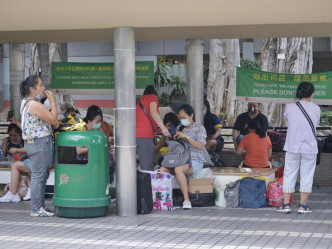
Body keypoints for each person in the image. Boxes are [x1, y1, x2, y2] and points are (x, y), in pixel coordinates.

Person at [277, 82, 320, 214]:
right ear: (311, 94)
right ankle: (302, 206)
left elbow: (288, 120)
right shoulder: (316, 108)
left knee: (289, 174)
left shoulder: (289, 107)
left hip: (292, 146)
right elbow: (316, 124)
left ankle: (286, 205)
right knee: (307, 176)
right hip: (309, 148)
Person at [20, 75, 58, 217]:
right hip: (39, 143)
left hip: (34, 143)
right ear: (32, 88)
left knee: (41, 175)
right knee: (39, 176)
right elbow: (54, 120)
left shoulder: (26, 102)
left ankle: (40, 206)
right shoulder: (35, 105)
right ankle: (36, 209)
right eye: (41, 85)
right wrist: (53, 101)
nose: (43, 88)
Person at [160, 104, 207, 209]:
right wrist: (167, 134)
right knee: (162, 169)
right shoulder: (179, 128)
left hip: (194, 161)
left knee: (178, 169)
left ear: (191, 116)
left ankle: (186, 200)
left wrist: (187, 136)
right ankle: (165, 199)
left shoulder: (200, 128)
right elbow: (173, 146)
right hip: (179, 159)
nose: (182, 120)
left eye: (184, 118)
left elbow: (200, 146)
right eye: (180, 118)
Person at [136, 85, 170, 171]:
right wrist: (163, 127)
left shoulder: (140, 102)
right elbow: (153, 111)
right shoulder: (152, 97)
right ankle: (147, 184)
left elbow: (143, 120)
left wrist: (157, 129)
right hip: (145, 137)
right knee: (147, 168)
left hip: (134, 136)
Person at [0, 124, 32, 202]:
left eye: (14, 135)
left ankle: (15, 193)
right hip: (9, 162)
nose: (13, 137)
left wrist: (18, 152)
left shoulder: (24, 141)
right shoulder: (6, 141)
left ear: (19, 134)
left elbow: (29, 152)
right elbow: (3, 154)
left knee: (22, 169)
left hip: (23, 162)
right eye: (11, 135)